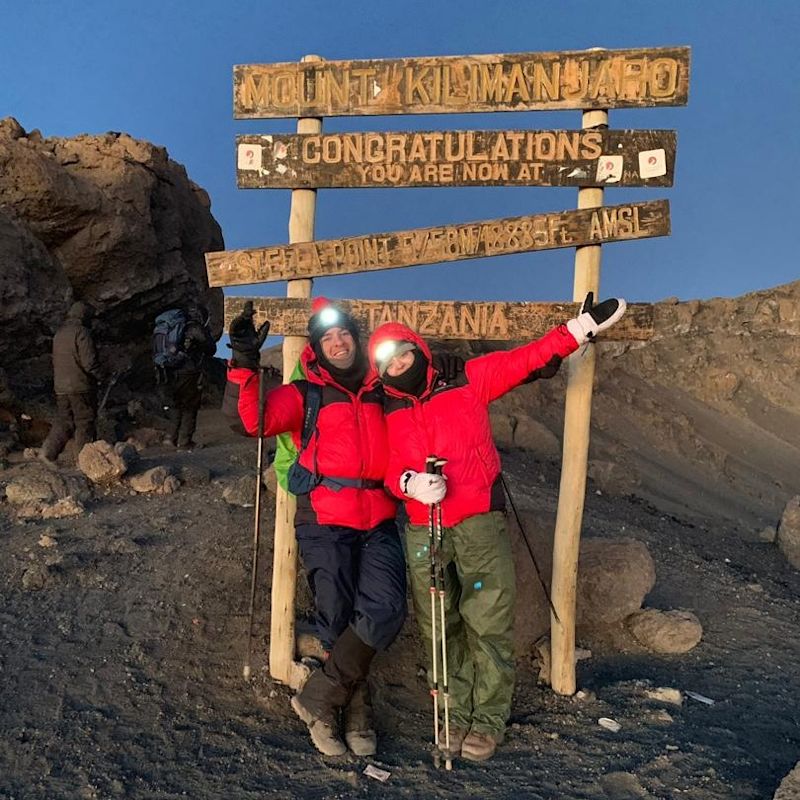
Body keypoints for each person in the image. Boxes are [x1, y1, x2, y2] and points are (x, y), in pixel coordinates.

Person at [367, 293, 626, 762]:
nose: (398, 364)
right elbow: (386, 468)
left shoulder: (467, 378)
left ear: (417, 348)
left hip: (478, 523)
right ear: (379, 370)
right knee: (439, 628)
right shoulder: (386, 407)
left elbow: (524, 359)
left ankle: (486, 720)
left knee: (487, 623)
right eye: (387, 361)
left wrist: (577, 330)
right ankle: (452, 713)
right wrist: (409, 483)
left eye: (403, 351)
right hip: (424, 531)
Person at [225, 297, 406, 758]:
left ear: (356, 338)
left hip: (380, 517)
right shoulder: (305, 394)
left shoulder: (383, 388)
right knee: (338, 618)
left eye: (343, 333)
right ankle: (353, 708)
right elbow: (252, 420)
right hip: (325, 519)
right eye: (327, 337)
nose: (338, 342)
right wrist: (244, 360)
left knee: (385, 607)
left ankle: (318, 699)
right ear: (317, 348)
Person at [39, 301, 103, 467]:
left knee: (65, 421)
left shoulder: (59, 334)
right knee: (84, 421)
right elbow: (89, 363)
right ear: (84, 316)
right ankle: (84, 461)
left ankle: (48, 452)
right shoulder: (82, 332)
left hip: (60, 387)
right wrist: (102, 375)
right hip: (80, 386)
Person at [160, 304, 215, 450]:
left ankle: (169, 438)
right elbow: (211, 349)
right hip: (188, 372)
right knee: (190, 406)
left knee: (174, 405)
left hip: (170, 371)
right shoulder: (195, 328)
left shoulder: (174, 327)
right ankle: (185, 442)